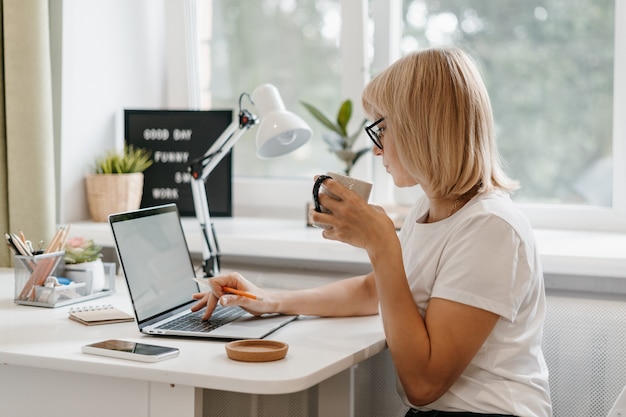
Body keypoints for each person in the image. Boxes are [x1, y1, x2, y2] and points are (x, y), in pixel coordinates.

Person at [192, 47, 552, 416]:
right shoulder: (429, 209)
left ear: (422, 129)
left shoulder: (491, 227)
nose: (377, 150)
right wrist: (270, 300)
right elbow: (372, 291)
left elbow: (423, 385)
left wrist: (382, 245)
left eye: (381, 129)